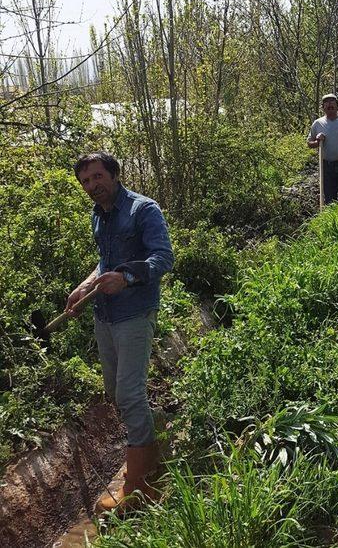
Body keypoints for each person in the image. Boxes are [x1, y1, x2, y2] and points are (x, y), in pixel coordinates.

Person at [66, 151, 174, 514]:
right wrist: (85, 286)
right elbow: (103, 263)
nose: (92, 186)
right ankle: (154, 430)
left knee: (128, 393)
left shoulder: (144, 210)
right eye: (85, 181)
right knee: (115, 390)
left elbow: (163, 258)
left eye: (97, 177)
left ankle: (141, 484)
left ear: (113, 174)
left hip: (134, 313)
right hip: (104, 315)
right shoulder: (99, 215)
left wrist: (127, 277)